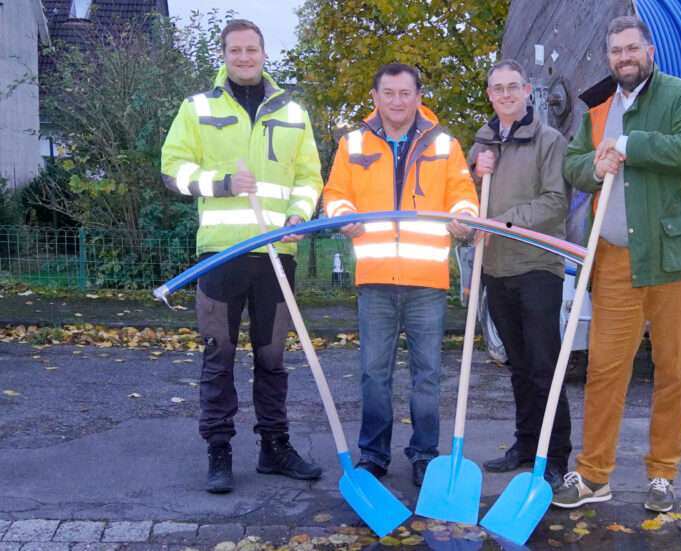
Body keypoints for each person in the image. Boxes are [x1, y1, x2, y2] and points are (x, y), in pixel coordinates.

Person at [552, 15, 681, 513]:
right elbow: (574, 164)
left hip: (677, 260)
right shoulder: (599, 107)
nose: (624, 58)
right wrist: (593, 165)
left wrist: (629, 145)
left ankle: (662, 474)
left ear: (650, 50)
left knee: (674, 370)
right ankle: (592, 475)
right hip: (616, 261)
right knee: (605, 370)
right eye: (616, 51)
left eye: (632, 48)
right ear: (609, 57)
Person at [161, 19, 324, 494]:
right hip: (222, 254)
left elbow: (309, 176)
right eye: (236, 50)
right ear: (224, 55)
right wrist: (222, 183)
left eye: (252, 49)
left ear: (264, 53)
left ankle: (275, 447)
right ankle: (219, 450)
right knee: (219, 356)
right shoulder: (197, 108)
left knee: (272, 357)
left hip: (277, 252)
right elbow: (173, 170)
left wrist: (299, 214)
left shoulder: (292, 112)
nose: (245, 57)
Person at [321, 63, 479, 487]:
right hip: (374, 278)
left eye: (404, 93)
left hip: (426, 280)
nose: (396, 101)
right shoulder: (352, 142)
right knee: (375, 372)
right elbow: (334, 194)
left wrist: (465, 217)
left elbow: (464, 194)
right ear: (375, 97)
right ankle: (373, 456)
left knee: (427, 374)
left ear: (418, 95)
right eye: (388, 93)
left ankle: (425, 455)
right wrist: (343, 215)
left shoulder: (444, 144)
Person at [467, 60, 571, 487]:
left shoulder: (549, 141)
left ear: (528, 91)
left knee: (545, 364)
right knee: (518, 365)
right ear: (489, 95)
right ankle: (526, 443)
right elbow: (466, 202)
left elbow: (554, 203)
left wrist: (503, 223)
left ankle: (555, 453)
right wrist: (472, 207)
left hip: (538, 266)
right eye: (498, 88)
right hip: (496, 268)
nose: (506, 94)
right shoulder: (482, 146)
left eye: (513, 87)